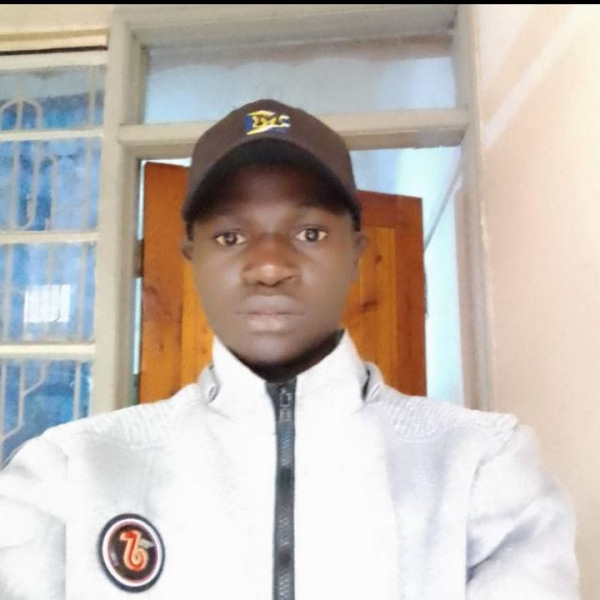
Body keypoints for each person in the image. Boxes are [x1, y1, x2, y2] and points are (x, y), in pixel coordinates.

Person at [0, 99, 580, 600]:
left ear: (356, 253)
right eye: (230, 236)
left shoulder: (482, 464)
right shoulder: (69, 473)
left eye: (310, 233)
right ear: (192, 258)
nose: (270, 266)